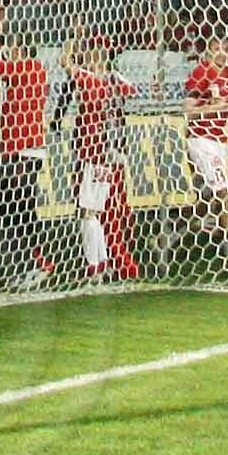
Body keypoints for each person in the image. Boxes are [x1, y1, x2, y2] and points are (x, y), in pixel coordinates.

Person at [0, 29, 61, 285]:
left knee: (19, 210)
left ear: (21, 50)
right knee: (6, 208)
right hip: (22, 150)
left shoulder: (24, 68)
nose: (9, 53)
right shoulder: (36, 70)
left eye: (12, 49)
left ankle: (41, 264)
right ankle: (28, 263)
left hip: (23, 152)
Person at [66, 32, 138, 281]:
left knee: (88, 212)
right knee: (104, 212)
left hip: (91, 151)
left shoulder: (89, 80)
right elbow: (132, 93)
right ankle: (107, 262)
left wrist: (73, 34)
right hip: (111, 154)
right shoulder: (115, 80)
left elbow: (65, 63)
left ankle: (94, 266)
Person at [181, 34, 228, 265]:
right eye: (216, 48)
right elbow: (188, 110)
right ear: (208, 50)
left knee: (206, 202)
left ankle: (172, 234)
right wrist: (216, 107)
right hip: (201, 140)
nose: (221, 52)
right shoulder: (201, 72)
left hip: (219, 141)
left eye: (226, 48)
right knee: (227, 199)